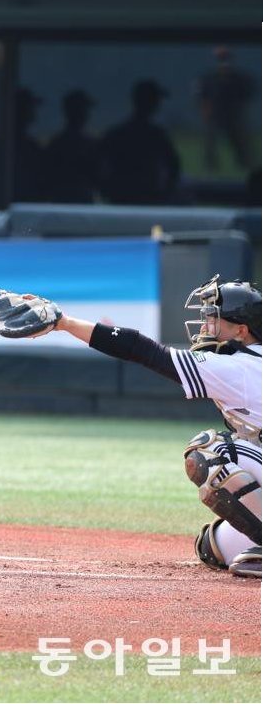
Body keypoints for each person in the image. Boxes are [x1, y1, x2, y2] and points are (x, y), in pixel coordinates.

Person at [28, 276, 260, 578]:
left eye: (214, 318)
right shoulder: (246, 360)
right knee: (212, 547)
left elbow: (143, 350)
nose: (206, 325)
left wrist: (65, 323)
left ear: (241, 330)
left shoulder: (238, 368)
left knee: (211, 451)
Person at [100, 80, 181, 205]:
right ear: (152, 103)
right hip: (148, 201)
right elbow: (173, 167)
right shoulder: (157, 135)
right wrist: (165, 192)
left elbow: (97, 166)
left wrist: (107, 190)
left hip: (119, 201)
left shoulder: (115, 134)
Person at [198, 47, 253, 173]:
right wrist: (205, 111)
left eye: (225, 58)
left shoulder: (238, 79)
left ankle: (244, 164)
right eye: (221, 58)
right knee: (210, 143)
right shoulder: (209, 78)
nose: (224, 62)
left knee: (238, 142)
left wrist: (240, 112)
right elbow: (203, 97)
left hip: (232, 115)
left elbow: (245, 96)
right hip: (215, 115)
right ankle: (210, 166)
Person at [41, 90, 101, 204]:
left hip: (69, 201)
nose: (86, 114)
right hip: (70, 201)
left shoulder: (56, 143)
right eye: (83, 109)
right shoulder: (89, 144)